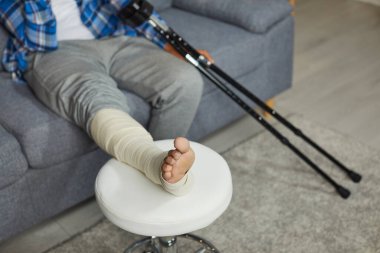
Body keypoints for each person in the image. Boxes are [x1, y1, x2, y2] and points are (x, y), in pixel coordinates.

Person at [0, 0, 212, 196]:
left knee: (185, 79)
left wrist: (170, 45)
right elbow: (39, 39)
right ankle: (158, 167)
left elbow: (130, 5)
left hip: (112, 37)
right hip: (51, 52)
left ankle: (161, 175)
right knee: (95, 96)